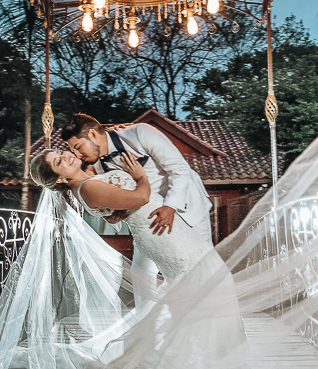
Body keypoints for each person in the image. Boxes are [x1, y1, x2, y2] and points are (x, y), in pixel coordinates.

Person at [29, 147, 245, 369]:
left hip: (162, 228)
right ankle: (201, 359)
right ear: (59, 177)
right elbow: (141, 197)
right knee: (202, 282)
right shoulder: (87, 187)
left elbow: (116, 208)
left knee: (199, 285)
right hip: (161, 234)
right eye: (59, 161)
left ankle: (213, 354)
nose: (67, 156)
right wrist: (140, 175)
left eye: (62, 152)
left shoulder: (88, 182)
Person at [60, 113, 214, 289]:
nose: (78, 155)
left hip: (187, 205)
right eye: (74, 151)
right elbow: (113, 199)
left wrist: (170, 206)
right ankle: (151, 316)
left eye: (78, 147)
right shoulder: (98, 167)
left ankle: (210, 310)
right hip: (148, 217)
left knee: (202, 265)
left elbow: (179, 169)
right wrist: (114, 216)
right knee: (142, 273)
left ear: (93, 134)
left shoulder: (140, 133)